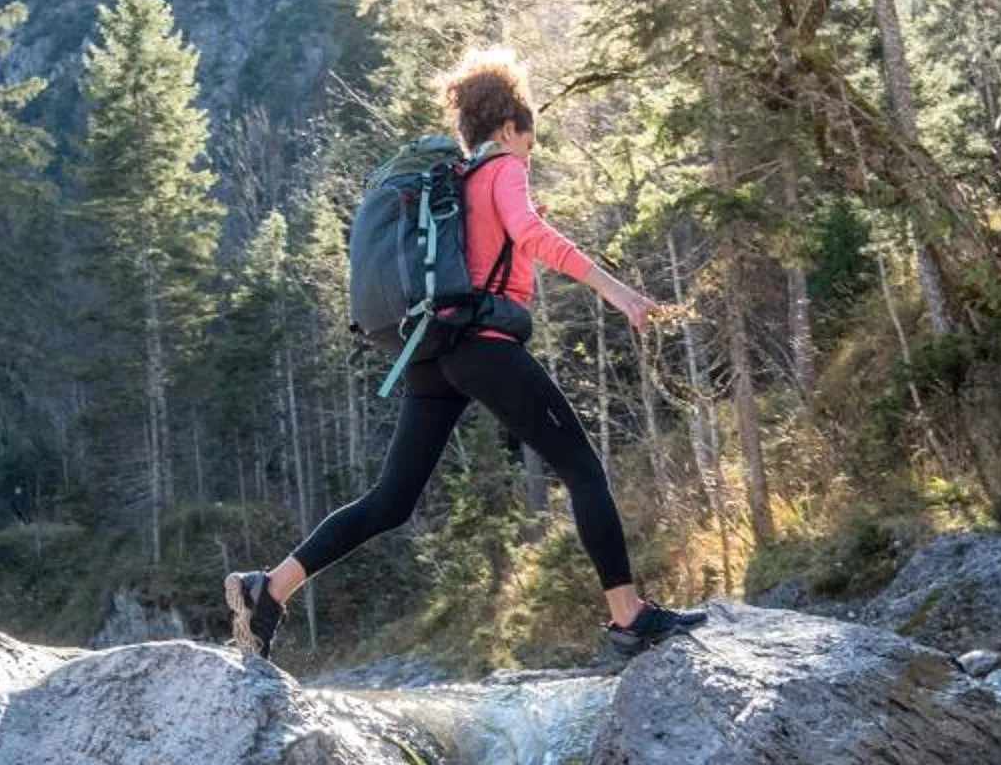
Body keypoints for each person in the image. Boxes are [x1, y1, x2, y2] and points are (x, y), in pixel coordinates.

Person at [227, 49, 707, 662]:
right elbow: (532, 235)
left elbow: (499, 243)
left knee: (391, 500)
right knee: (583, 469)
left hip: (437, 353)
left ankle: (268, 588)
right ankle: (628, 618)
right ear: (509, 129)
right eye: (529, 144)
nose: (528, 156)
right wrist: (620, 293)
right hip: (482, 345)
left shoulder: (458, 184)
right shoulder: (504, 169)